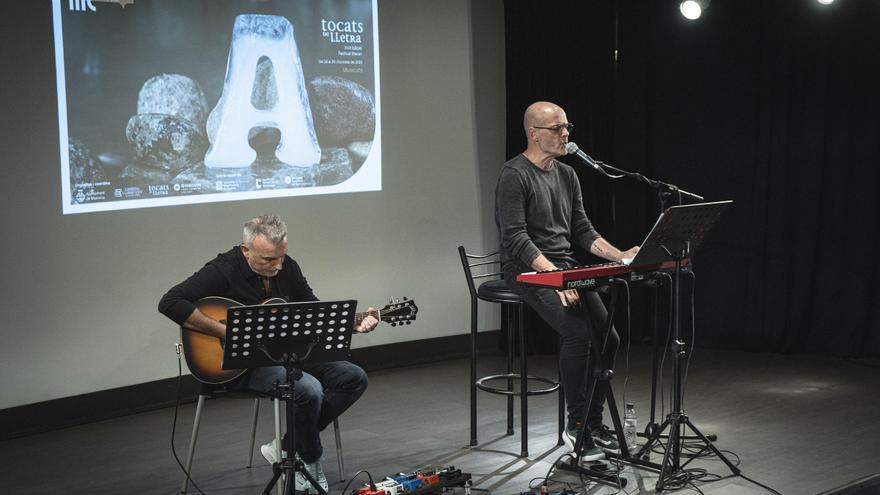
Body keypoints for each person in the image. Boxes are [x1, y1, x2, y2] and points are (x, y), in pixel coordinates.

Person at [158, 213, 378, 492]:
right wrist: (228, 332)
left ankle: (287, 446)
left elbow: (316, 315)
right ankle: (309, 459)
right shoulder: (223, 269)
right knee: (308, 389)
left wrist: (356, 326)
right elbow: (170, 302)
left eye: (281, 257)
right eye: (268, 260)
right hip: (235, 363)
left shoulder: (288, 268)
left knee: (353, 376)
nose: (277, 266)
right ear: (246, 250)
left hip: (284, 354)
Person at [494, 101, 639, 461]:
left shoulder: (567, 175)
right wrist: (555, 279)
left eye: (566, 127)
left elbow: (581, 230)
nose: (565, 134)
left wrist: (620, 256)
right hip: (526, 271)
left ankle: (592, 422)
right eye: (556, 129)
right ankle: (575, 426)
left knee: (609, 337)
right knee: (577, 332)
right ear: (533, 133)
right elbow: (516, 239)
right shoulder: (514, 175)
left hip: (564, 266)